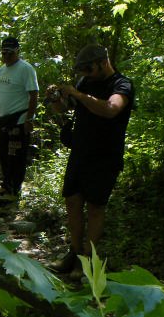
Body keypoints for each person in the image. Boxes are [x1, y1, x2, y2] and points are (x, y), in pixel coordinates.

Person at [46, 44, 134, 274]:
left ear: (103, 63)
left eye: (88, 69)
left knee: (95, 207)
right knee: (73, 201)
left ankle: (87, 260)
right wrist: (56, 100)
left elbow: (110, 109)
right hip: (80, 152)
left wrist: (77, 94)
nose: (85, 74)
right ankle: (74, 253)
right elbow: (63, 110)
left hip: (105, 156)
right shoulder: (85, 83)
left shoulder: (121, 84)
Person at [0, 37, 39, 198]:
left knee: (17, 155)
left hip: (19, 119)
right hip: (4, 120)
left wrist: (29, 119)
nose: (6, 56)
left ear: (17, 51)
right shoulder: (2, 70)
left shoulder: (26, 69)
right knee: (4, 153)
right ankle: (6, 184)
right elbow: (0, 94)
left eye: (10, 53)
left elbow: (34, 94)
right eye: (3, 53)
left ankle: (15, 188)